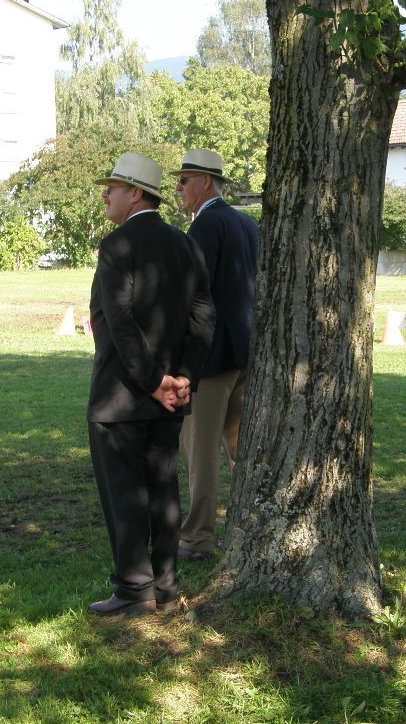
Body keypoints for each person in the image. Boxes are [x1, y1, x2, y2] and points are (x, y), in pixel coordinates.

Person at [87, 152, 216, 616]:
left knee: (124, 493)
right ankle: (164, 585)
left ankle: (134, 590)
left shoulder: (117, 245)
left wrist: (154, 380)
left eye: (113, 187)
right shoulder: (186, 244)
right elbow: (204, 318)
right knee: (163, 488)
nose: (106, 194)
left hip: (122, 396)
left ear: (136, 193)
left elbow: (119, 322)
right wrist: (183, 376)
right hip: (170, 396)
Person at [171, 149, 260, 560]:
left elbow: (191, 293)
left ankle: (197, 540)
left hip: (210, 359)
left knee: (200, 454)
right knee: (242, 452)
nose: (178, 189)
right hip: (245, 352)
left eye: (184, 180)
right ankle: (252, 529)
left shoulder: (206, 223)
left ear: (206, 181)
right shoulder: (247, 223)